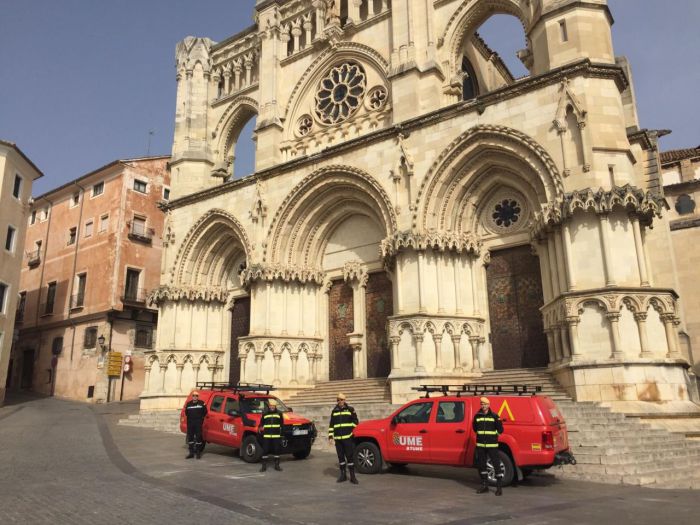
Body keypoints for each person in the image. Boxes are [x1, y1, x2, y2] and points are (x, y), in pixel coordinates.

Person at [472, 396, 505, 495]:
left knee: (496, 465)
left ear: (489, 405)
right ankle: (484, 486)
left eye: (485, 404)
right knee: (482, 466)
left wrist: (494, 436)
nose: (483, 406)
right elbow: (475, 428)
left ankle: (499, 488)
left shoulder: (495, 416)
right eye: (482, 404)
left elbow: (500, 429)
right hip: (481, 445)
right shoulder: (477, 416)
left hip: (492, 445)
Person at [328, 393, 359, 484]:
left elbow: (356, 421)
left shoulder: (350, 409)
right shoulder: (334, 411)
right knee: (340, 457)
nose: (339, 401)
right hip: (338, 439)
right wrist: (330, 436)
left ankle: (352, 476)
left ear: (345, 400)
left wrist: (350, 430)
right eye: (338, 400)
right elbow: (331, 425)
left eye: (341, 399)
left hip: (348, 438)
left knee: (350, 457)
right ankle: (343, 475)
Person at [259, 398, 283, 472]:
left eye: (273, 406)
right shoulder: (265, 413)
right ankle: (263, 466)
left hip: (276, 435)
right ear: (269, 406)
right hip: (266, 435)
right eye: (270, 405)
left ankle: (277, 465)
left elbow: (282, 424)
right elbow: (261, 424)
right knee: (265, 450)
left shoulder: (279, 413)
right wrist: (261, 429)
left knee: (276, 450)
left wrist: (281, 434)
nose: (272, 407)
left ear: (275, 406)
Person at [184, 391, 208, 459]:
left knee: (198, 438)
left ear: (198, 396)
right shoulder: (188, 404)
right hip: (190, 423)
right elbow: (186, 413)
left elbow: (205, 412)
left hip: (198, 423)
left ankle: (198, 453)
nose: (195, 397)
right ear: (192, 396)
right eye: (194, 395)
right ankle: (191, 453)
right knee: (190, 438)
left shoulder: (202, 403)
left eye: (196, 396)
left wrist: (200, 419)